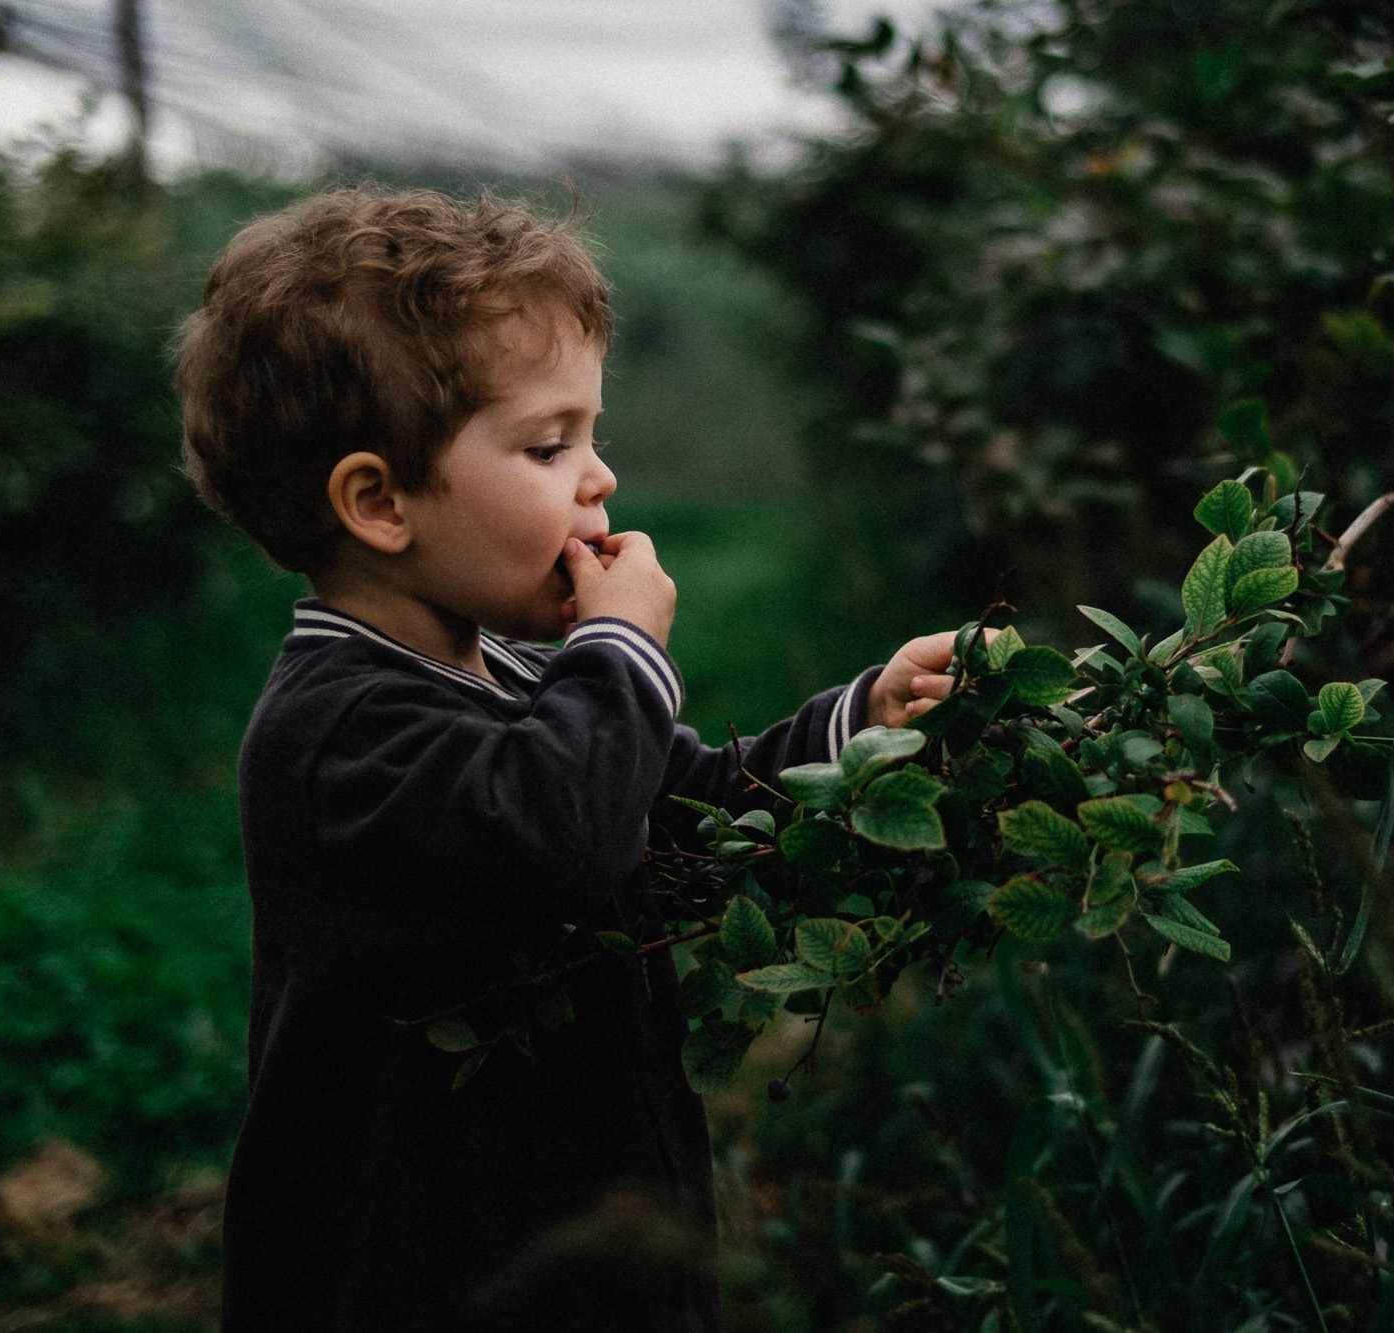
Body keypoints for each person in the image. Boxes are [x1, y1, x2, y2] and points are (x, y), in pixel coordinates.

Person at [175, 187, 956, 1330]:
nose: (598, 479)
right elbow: (559, 839)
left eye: (589, 435)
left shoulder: (522, 674)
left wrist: (863, 722)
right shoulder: (339, 735)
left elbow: (682, 809)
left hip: (587, 1239)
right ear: (378, 502)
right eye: (548, 445)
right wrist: (623, 643)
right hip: (417, 1275)